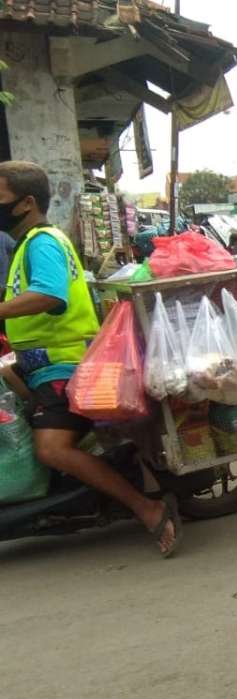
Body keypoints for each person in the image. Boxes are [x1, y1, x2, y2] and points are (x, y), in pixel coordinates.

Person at [0, 161, 179, 555]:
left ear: (26, 203)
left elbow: (50, 295)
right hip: (40, 365)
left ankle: (148, 508)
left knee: (51, 448)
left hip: (62, 367)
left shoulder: (42, 241)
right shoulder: (27, 245)